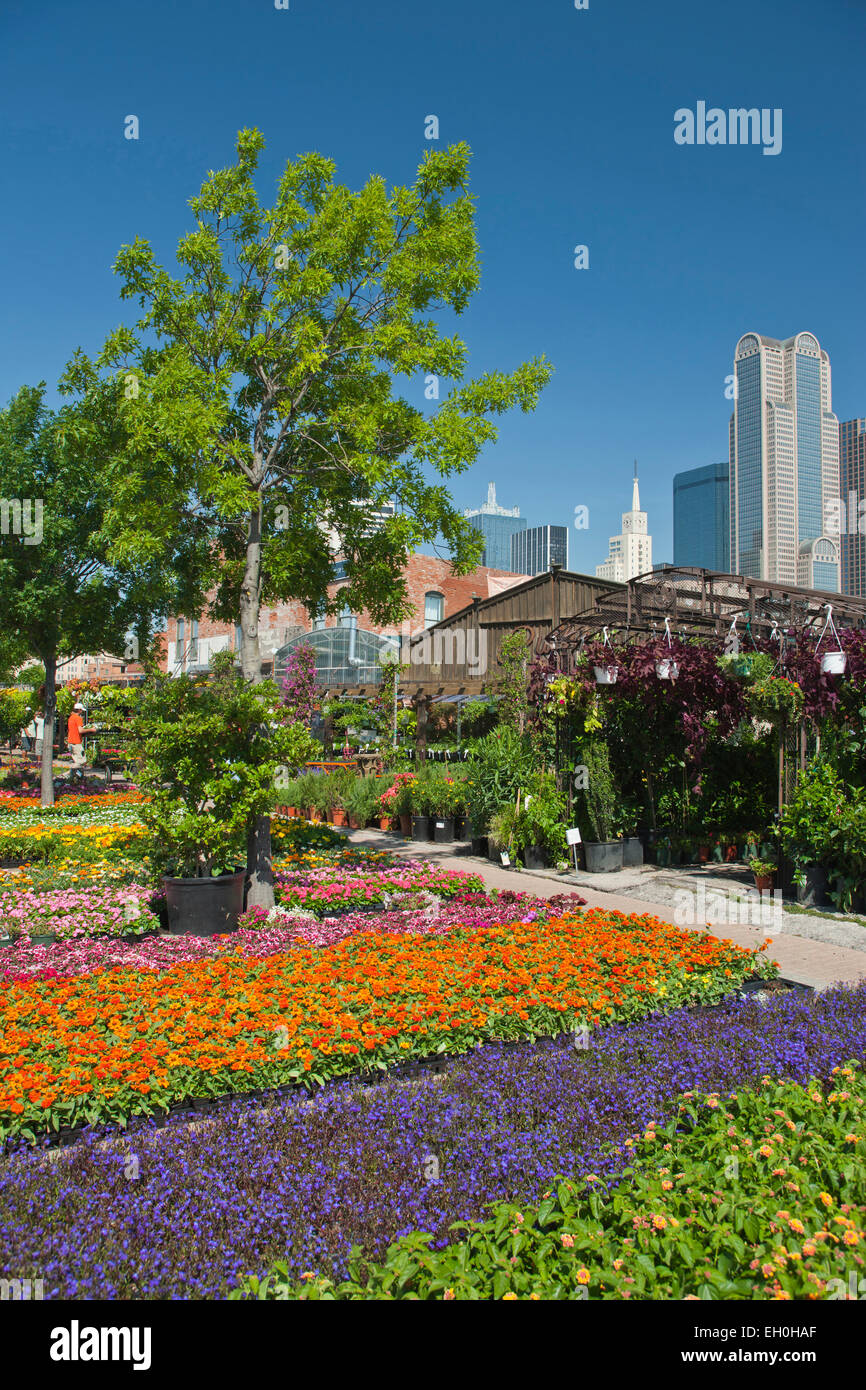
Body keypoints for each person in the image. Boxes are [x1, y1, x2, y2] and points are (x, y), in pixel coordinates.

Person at [67, 702, 87, 778]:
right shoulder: (78, 718)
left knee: (76, 760)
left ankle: (76, 776)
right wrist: (91, 729)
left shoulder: (71, 718)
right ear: (79, 710)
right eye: (81, 710)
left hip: (71, 741)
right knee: (82, 761)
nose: (82, 712)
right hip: (76, 741)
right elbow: (80, 730)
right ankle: (69, 774)